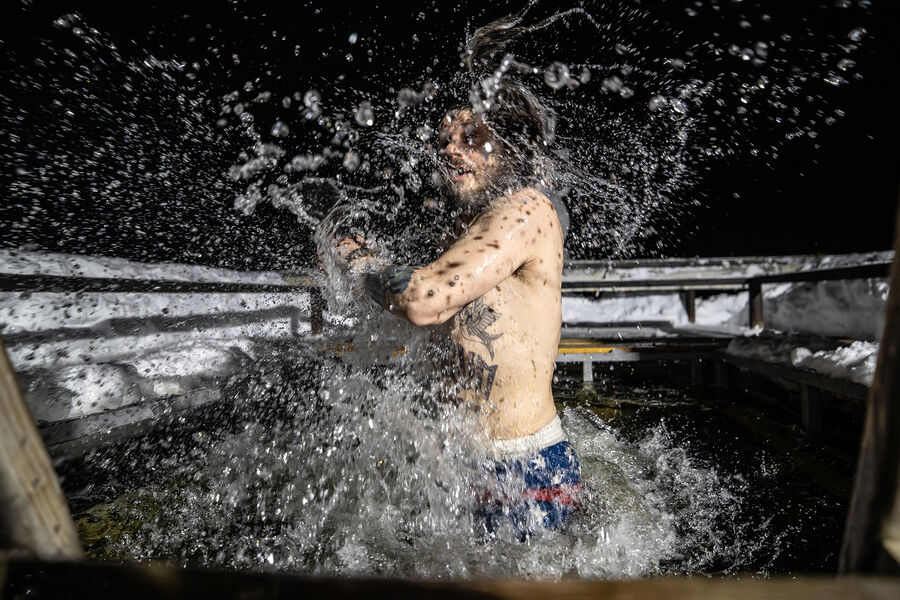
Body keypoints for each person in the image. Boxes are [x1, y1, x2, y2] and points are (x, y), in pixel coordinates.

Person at [337, 82, 580, 537]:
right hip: (456, 463)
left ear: (509, 148)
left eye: (471, 137)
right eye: (445, 139)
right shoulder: (461, 226)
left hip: (525, 469)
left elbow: (423, 301)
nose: (451, 149)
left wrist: (358, 261)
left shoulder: (527, 209)